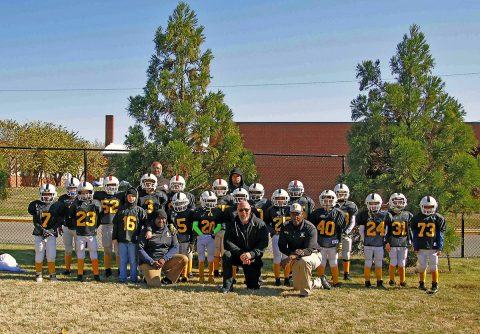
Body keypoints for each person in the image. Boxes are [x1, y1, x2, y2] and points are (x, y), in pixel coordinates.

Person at [221, 201, 269, 293]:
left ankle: (255, 280)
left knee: (253, 287)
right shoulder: (231, 224)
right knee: (226, 255)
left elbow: (263, 243)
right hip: (237, 255)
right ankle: (227, 287)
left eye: (246, 210)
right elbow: (227, 242)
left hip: (252, 258)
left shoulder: (260, 224)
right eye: (241, 210)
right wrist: (241, 253)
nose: (244, 212)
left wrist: (251, 254)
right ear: (237, 211)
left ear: (250, 210)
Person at [278, 203, 323, 297]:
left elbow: (309, 249)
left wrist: (291, 257)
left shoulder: (310, 228)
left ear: (302, 214)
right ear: (290, 214)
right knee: (297, 286)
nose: (295, 217)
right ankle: (318, 282)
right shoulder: (285, 226)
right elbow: (281, 245)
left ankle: (305, 293)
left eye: (297, 214)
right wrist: (291, 255)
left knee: (304, 261)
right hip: (295, 256)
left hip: (313, 255)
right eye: (293, 214)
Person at [138, 209, 188, 287]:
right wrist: (151, 261)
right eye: (158, 218)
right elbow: (140, 249)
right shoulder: (147, 231)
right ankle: (145, 275)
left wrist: (164, 258)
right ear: (154, 219)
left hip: (164, 261)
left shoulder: (170, 230)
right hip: (150, 262)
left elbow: (175, 246)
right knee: (155, 285)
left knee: (184, 259)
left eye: (163, 218)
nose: (161, 220)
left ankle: (168, 279)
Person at [310, 190, 346, 288]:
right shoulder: (316, 213)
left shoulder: (339, 213)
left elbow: (340, 229)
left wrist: (339, 241)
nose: (327, 202)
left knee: (333, 261)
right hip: (320, 242)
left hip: (332, 241)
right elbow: (312, 229)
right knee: (322, 262)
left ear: (334, 200)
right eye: (325, 200)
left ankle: (335, 281)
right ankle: (320, 281)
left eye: (330, 200)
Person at [68, 182, 104, 282]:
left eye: (87, 192)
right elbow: (71, 217)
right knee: (80, 254)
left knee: (93, 254)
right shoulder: (76, 203)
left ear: (91, 192)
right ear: (79, 193)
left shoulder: (96, 203)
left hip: (91, 234)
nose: (85, 195)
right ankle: (80, 274)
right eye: (82, 193)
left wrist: (95, 227)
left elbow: (100, 217)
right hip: (80, 234)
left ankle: (96, 274)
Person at [411, 196, 446, 294]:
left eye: (430, 207)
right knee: (422, 266)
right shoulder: (417, 218)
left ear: (434, 206)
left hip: (433, 247)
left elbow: (440, 234)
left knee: (433, 266)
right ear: (421, 206)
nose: (428, 209)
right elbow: (415, 235)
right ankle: (421, 283)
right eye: (425, 207)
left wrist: (439, 247)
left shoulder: (438, 218)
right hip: (421, 247)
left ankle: (435, 284)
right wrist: (416, 246)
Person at [357, 193, 392, 288]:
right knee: (373, 262)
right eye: (371, 203)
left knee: (372, 262)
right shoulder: (385, 215)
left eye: (375, 203)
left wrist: (364, 240)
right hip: (376, 243)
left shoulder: (364, 215)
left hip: (372, 243)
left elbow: (361, 230)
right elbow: (387, 230)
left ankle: (370, 281)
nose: (373, 205)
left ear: (380, 203)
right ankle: (375, 281)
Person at [28, 184, 62, 282]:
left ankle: (52, 274)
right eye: (44, 194)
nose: (46, 196)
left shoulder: (57, 205)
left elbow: (59, 220)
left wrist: (52, 229)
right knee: (39, 253)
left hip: (51, 233)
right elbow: (35, 221)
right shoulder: (35, 205)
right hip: (39, 233)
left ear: (53, 194)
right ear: (41, 194)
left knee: (51, 254)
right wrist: (43, 230)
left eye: (49, 194)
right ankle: (38, 274)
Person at [112, 187, 147, 283]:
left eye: (133, 196)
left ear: (136, 197)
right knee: (122, 260)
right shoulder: (121, 210)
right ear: (126, 197)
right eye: (129, 196)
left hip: (134, 240)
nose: (131, 198)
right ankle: (122, 278)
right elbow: (115, 225)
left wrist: (143, 236)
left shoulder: (140, 210)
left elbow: (146, 224)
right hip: (122, 239)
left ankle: (134, 278)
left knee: (133, 261)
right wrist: (114, 238)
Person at [93, 175, 124, 277]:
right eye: (109, 185)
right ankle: (108, 269)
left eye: (113, 185)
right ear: (105, 186)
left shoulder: (121, 195)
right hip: (106, 225)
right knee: (107, 249)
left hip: (118, 226)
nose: (111, 187)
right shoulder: (99, 194)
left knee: (118, 250)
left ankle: (120, 269)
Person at [192, 191, 223, 283]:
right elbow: (194, 225)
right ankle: (201, 277)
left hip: (211, 237)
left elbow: (219, 225)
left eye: (212, 200)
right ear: (202, 200)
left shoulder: (217, 211)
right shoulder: (198, 211)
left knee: (211, 257)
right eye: (207, 200)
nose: (210, 202)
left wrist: (214, 233)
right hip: (202, 237)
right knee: (201, 257)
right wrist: (200, 234)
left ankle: (210, 276)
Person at [264, 189, 291, 286]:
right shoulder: (270, 209)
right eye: (278, 198)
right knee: (277, 258)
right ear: (273, 199)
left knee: (287, 257)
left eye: (282, 198)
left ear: (286, 199)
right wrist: (272, 231)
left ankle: (287, 278)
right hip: (277, 236)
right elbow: (266, 223)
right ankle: (277, 278)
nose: (280, 200)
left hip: (288, 236)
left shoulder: (290, 208)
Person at [385, 193, 413, 287]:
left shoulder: (407, 215)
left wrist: (411, 241)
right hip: (392, 242)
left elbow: (409, 229)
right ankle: (391, 280)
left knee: (402, 262)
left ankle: (402, 281)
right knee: (393, 261)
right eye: (396, 202)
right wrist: (387, 242)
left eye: (400, 202)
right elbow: (386, 231)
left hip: (403, 242)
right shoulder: (388, 215)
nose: (398, 204)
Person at [334, 183, 358, 280]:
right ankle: (334, 273)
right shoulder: (332, 204)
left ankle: (346, 273)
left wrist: (346, 232)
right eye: (339, 193)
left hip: (346, 233)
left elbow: (353, 221)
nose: (341, 195)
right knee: (334, 253)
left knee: (346, 252)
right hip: (334, 233)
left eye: (343, 193)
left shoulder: (351, 205)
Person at [168, 192, 194, 281]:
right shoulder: (171, 212)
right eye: (177, 203)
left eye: (181, 203)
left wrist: (192, 241)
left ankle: (187, 273)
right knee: (178, 257)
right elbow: (167, 222)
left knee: (187, 255)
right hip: (175, 239)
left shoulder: (190, 212)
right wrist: (170, 225)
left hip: (186, 237)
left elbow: (193, 228)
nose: (179, 205)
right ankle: (179, 273)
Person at [57, 176, 80, 275]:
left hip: (78, 228)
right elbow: (59, 213)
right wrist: (59, 225)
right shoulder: (62, 199)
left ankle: (80, 270)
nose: (72, 190)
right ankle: (68, 269)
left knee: (80, 249)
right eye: (70, 188)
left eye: (74, 188)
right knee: (68, 249)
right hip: (66, 227)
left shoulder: (81, 198)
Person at [212, 178, 231, 277]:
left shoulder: (230, 198)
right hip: (214, 228)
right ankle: (215, 270)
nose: (219, 190)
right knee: (216, 250)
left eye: (222, 188)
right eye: (217, 188)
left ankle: (224, 270)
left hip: (226, 229)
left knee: (224, 251)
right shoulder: (210, 197)